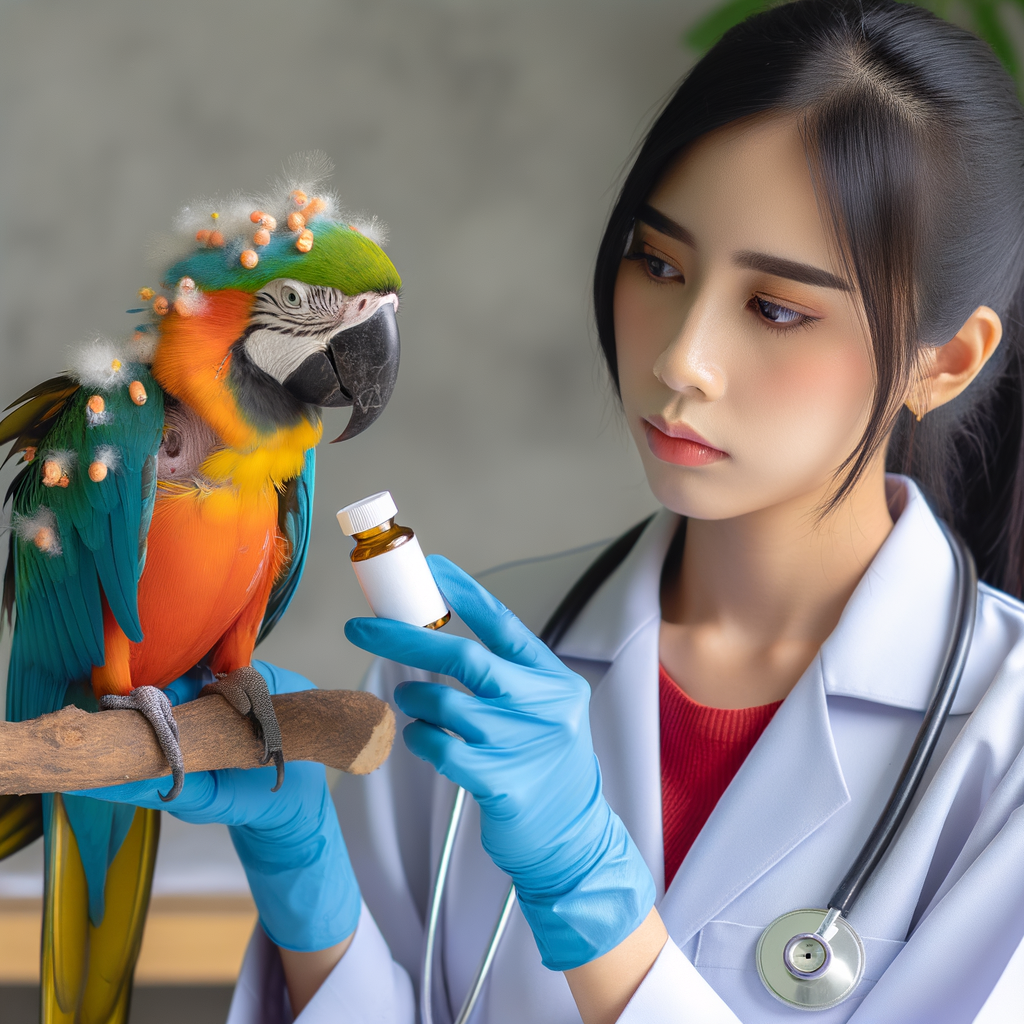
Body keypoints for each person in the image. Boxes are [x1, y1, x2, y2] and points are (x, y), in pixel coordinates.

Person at [84, 1, 1024, 1020]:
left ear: (947, 362)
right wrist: (310, 888)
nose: (678, 358)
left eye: (776, 309)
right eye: (658, 264)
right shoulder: (454, 661)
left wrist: (590, 890)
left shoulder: (1003, 736)